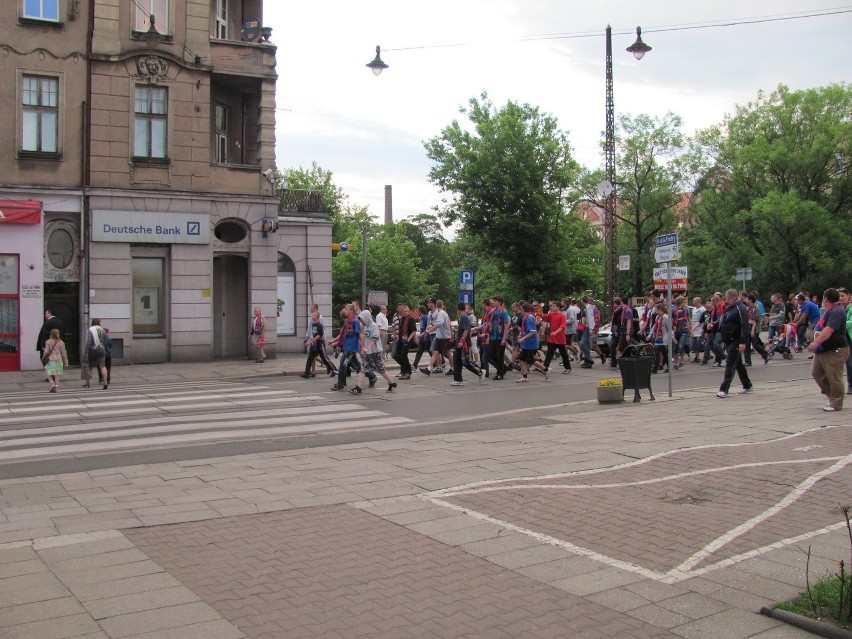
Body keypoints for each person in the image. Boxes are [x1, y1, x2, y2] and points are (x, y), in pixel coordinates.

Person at [806, 288, 849, 412]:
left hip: (835, 350)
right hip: (823, 350)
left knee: (834, 376)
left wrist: (816, 342)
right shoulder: (828, 311)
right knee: (816, 373)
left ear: (825, 298)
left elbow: (829, 329)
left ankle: (836, 402)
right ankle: (832, 396)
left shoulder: (837, 311)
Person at [349, 311, 397, 394]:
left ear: (366, 318)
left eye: (362, 319)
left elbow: (374, 339)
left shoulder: (373, 326)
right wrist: (363, 347)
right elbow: (365, 337)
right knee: (364, 369)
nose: (361, 321)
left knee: (380, 369)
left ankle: (392, 383)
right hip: (369, 352)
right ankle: (358, 388)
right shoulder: (367, 327)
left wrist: (367, 348)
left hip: (374, 352)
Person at [716, 289, 753, 398]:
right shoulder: (730, 308)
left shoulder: (740, 308)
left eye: (727, 298)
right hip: (729, 339)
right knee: (738, 364)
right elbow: (724, 320)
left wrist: (743, 342)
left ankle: (724, 389)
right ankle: (747, 384)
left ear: (731, 297)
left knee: (730, 363)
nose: (726, 300)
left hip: (736, 340)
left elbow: (744, 326)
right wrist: (713, 325)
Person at [450, 302, 484, 386]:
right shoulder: (462, 317)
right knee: (457, 361)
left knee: (465, 361)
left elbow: (466, 330)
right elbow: (463, 330)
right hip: (460, 342)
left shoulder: (464, 317)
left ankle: (479, 372)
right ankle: (458, 379)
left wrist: (461, 341)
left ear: (458, 310)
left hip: (463, 344)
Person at [516, 302, 549, 382]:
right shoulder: (526, 317)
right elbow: (525, 330)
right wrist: (521, 335)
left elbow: (532, 331)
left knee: (523, 359)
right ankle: (545, 369)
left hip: (530, 343)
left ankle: (525, 376)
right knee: (529, 360)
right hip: (527, 343)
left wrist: (523, 338)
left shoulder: (529, 318)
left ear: (523, 309)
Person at [301, 310, 336, 378]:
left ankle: (334, 370)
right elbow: (312, 334)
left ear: (317, 317)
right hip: (314, 344)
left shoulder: (319, 325)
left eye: (314, 315)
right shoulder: (313, 324)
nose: (312, 316)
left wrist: (310, 342)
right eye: (312, 315)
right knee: (310, 358)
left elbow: (319, 335)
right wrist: (307, 339)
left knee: (325, 358)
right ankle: (306, 373)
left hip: (320, 344)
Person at [541, 300, 571, 373]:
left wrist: (555, 332)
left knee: (563, 354)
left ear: (558, 307)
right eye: (552, 306)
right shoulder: (551, 314)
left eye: (554, 306)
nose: (552, 307)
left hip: (560, 338)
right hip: (552, 338)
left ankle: (568, 368)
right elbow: (543, 316)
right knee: (550, 353)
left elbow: (562, 326)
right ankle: (545, 368)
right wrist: (540, 308)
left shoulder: (562, 315)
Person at [393, 304, 418, 380]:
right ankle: (404, 370)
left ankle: (408, 372)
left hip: (407, 340)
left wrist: (408, 340)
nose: (406, 312)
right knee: (397, 355)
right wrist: (397, 336)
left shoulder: (410, 319)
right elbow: (400, 329)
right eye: (404, 311)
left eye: (407, 311)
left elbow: (414, 331)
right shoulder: (401, 319)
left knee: (403, 355)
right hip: (400, 339)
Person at [42, 328, 69, 393]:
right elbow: (64, 353)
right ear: (58, 334)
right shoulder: (61, 342)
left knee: (48, 373)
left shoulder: (48, 341)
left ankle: (52, 384)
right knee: (56, 375)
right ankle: (56, 387)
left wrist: (43, 358)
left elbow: (46, 351)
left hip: (51, 359)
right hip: (58, 359)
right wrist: (66, 362)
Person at [86, 318, 109, 390]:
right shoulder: (102, 329)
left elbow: (89, 342)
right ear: (99, 323)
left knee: (90, 366)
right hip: (101, 349)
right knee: (103, 366)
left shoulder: (90, 329)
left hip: (93, 349)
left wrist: (87, 350)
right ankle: (105, 382)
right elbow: (105, 338)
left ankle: (88, 382)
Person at [690, 297, 707, 362]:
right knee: (694, 344)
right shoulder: (694, 309)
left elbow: (704, 319)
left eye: (694, 301)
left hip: (700, 328)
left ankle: (706, 354)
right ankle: (697, 357)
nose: (693, 302)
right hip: (694, 328)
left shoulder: (703, 309)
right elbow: (692, 318)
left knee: (699, 343)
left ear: (698, 301)